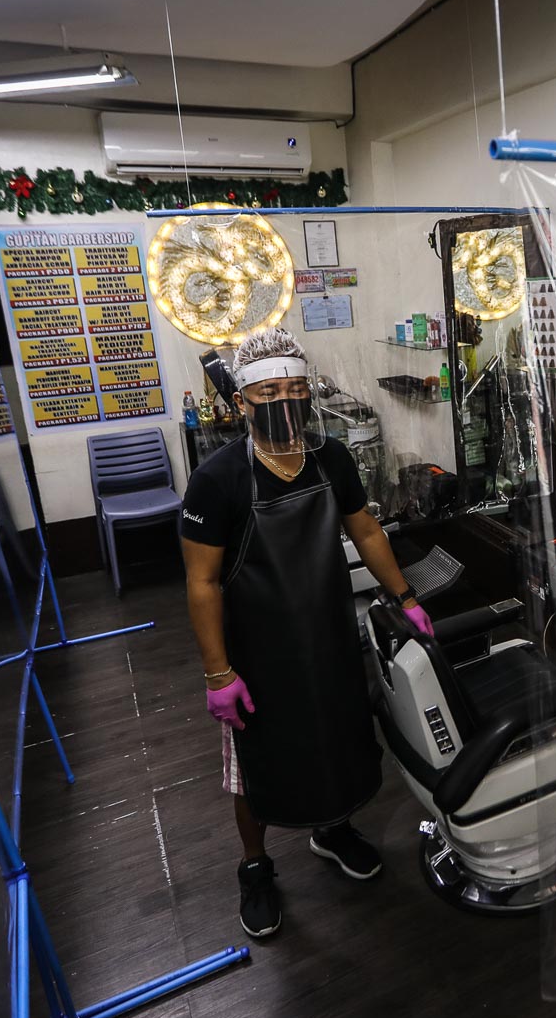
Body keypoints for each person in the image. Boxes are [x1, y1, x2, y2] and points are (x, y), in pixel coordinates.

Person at [180, 329, 434, 938]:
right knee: (256, 768)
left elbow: (367, 531)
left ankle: (332, 827)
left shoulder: (331, 460)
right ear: (243, 401)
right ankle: (256, 867)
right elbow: (202, 583)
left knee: (336, 741)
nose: (285, 402)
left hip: (326, 635)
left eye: (296, 389)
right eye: (269, 391)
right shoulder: (217, 482)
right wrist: (218, 673)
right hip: (255, 655)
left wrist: (404, 596)